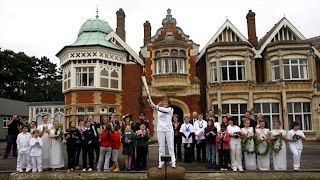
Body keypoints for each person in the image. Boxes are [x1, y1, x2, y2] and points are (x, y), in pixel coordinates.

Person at [148, 96, 176, 168]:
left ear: (168, 104)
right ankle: (161, 162)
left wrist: (155, 106)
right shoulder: (159, 109)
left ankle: (173, 162)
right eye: (163, 103)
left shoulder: (170, 109)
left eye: (166, 103)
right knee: (161, 147)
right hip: (160, 129)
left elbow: (161, 109)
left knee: (171, 146)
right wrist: (149, 98)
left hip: (169, 130)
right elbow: (152, 106)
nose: (164, 104)